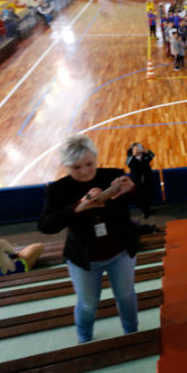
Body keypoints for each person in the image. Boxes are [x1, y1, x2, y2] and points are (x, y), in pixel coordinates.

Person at [38, 135, 140, 343]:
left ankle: (132, 333)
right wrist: (77, 207)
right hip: (84, 259)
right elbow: (46, 226)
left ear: (96, 158)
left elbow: (144, 202)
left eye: (89, 164)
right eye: (76, 167)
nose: (84, 171)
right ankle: (84, 339)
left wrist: (132, 189)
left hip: (120, 252)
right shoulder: (58, 189)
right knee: (87, 304)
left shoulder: (113, 176)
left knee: (126, 296)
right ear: (66, 166)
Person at [126, 143, 156, 218]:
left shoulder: (145, 156)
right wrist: (133, 155)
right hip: (137, 182)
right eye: (136, 149)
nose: (138, 150)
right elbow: (127, 163)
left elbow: (152, 155)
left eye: (139, 148)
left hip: (147, 180)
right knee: (140, 198)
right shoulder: (131, 158)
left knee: (148, 196)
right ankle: (144, 211)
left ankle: (147, 209)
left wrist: (147, 151)